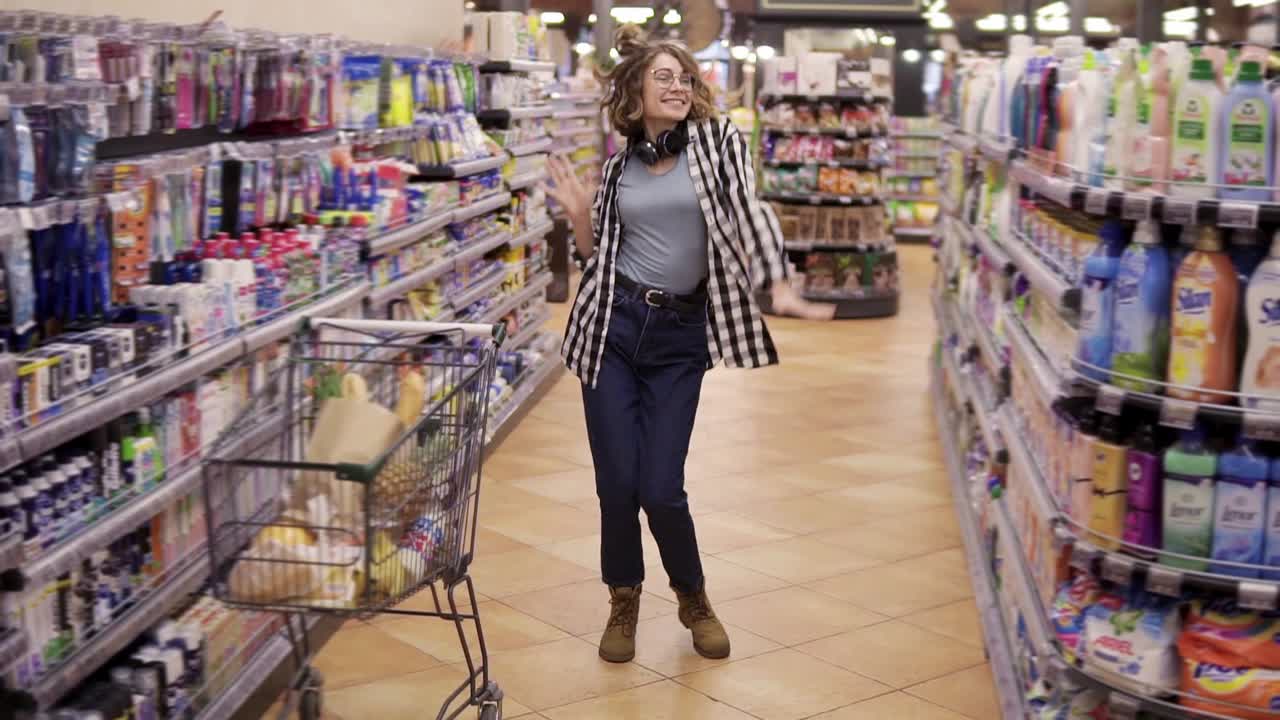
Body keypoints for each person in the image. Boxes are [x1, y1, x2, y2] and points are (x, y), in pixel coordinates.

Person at [542, 26, 831, 665]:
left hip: (678, 338)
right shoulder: (619, 168)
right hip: (611, 333)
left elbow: (749, 208)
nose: (676, 87)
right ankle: (623, 599)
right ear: (635, 95)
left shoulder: (718, 143)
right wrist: (583, 222)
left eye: (684, 77)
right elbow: (598, 261)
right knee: (616, 483)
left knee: (661, 486)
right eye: (662, 78)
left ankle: (693, 597)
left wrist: (776, 280)